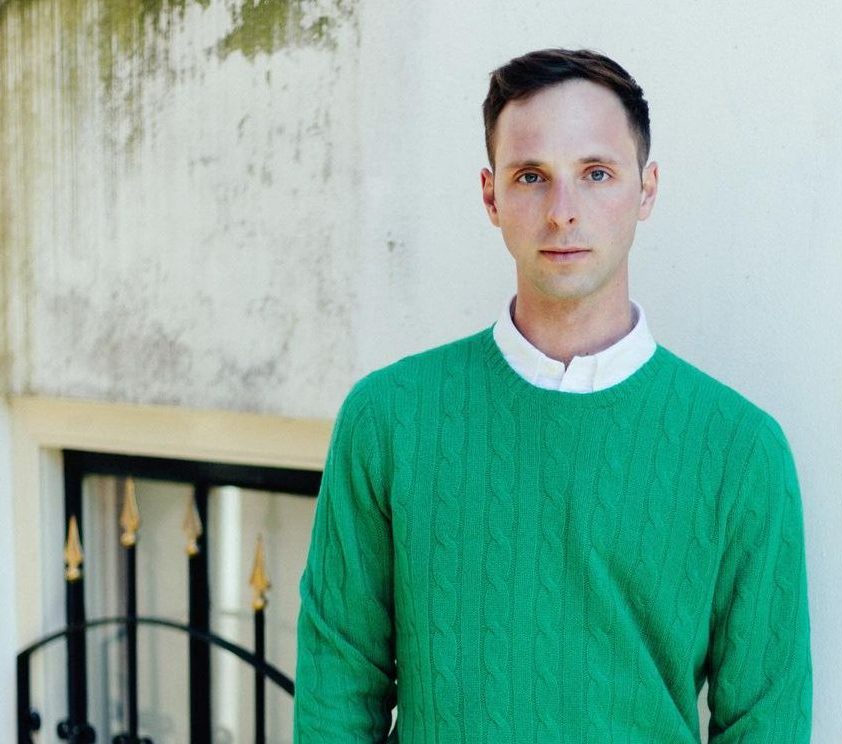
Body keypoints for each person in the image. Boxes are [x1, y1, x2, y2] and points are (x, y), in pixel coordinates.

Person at [294, 48, 812, 743]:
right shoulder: (388, 419)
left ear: (646, 189)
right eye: (532, 177)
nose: (563, 212)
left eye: (596, 173)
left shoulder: (740, 450)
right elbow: (337, 683)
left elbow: (766, 722)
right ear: (491, 196)